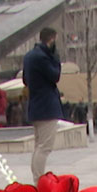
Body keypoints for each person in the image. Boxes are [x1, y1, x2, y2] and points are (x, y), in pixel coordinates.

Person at [23, 27, 64, 179]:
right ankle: (39, 179)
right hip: (47, 107)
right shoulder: (43, 58)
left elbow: (25, 80)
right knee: (45, 147)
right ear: (51, 39)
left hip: (35, 106)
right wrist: (56, 58)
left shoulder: (28, 57)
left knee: (38, 146)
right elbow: (55, 76)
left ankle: (36, 177)